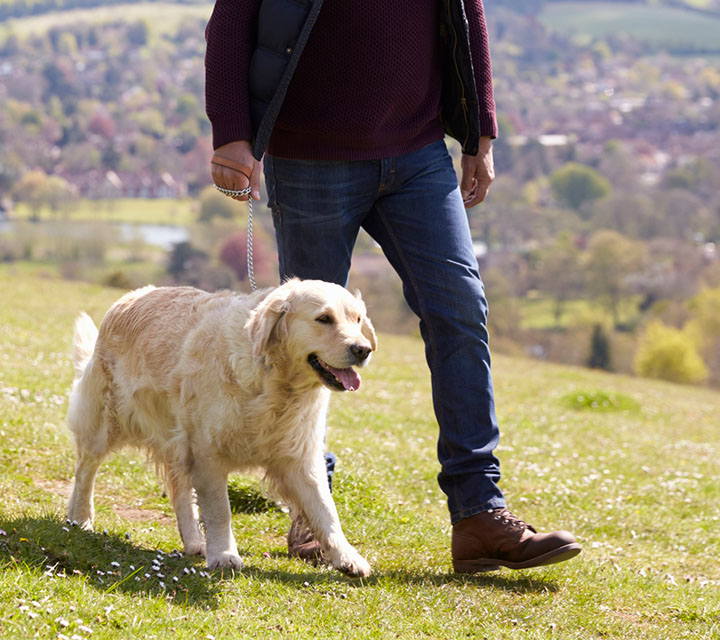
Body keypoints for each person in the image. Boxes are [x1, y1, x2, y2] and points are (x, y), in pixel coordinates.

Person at [204, 0, 582, 573]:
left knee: (460, 308)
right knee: (308, 343)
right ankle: (311, 512)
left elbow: (465, 14)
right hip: (310, 157)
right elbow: (231, 22)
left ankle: (479, 512)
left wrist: (481, 132)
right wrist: (231, 133)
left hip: (418, 153)